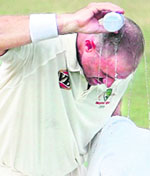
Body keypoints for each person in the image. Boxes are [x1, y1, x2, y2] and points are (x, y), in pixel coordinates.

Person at [0, 2, 145, 176]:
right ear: (89, 46)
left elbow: (109, 123)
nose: (108, 83)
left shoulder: (114, 75)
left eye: (117, 77)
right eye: (104, 73)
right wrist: (70, 21)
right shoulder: (43, 47)